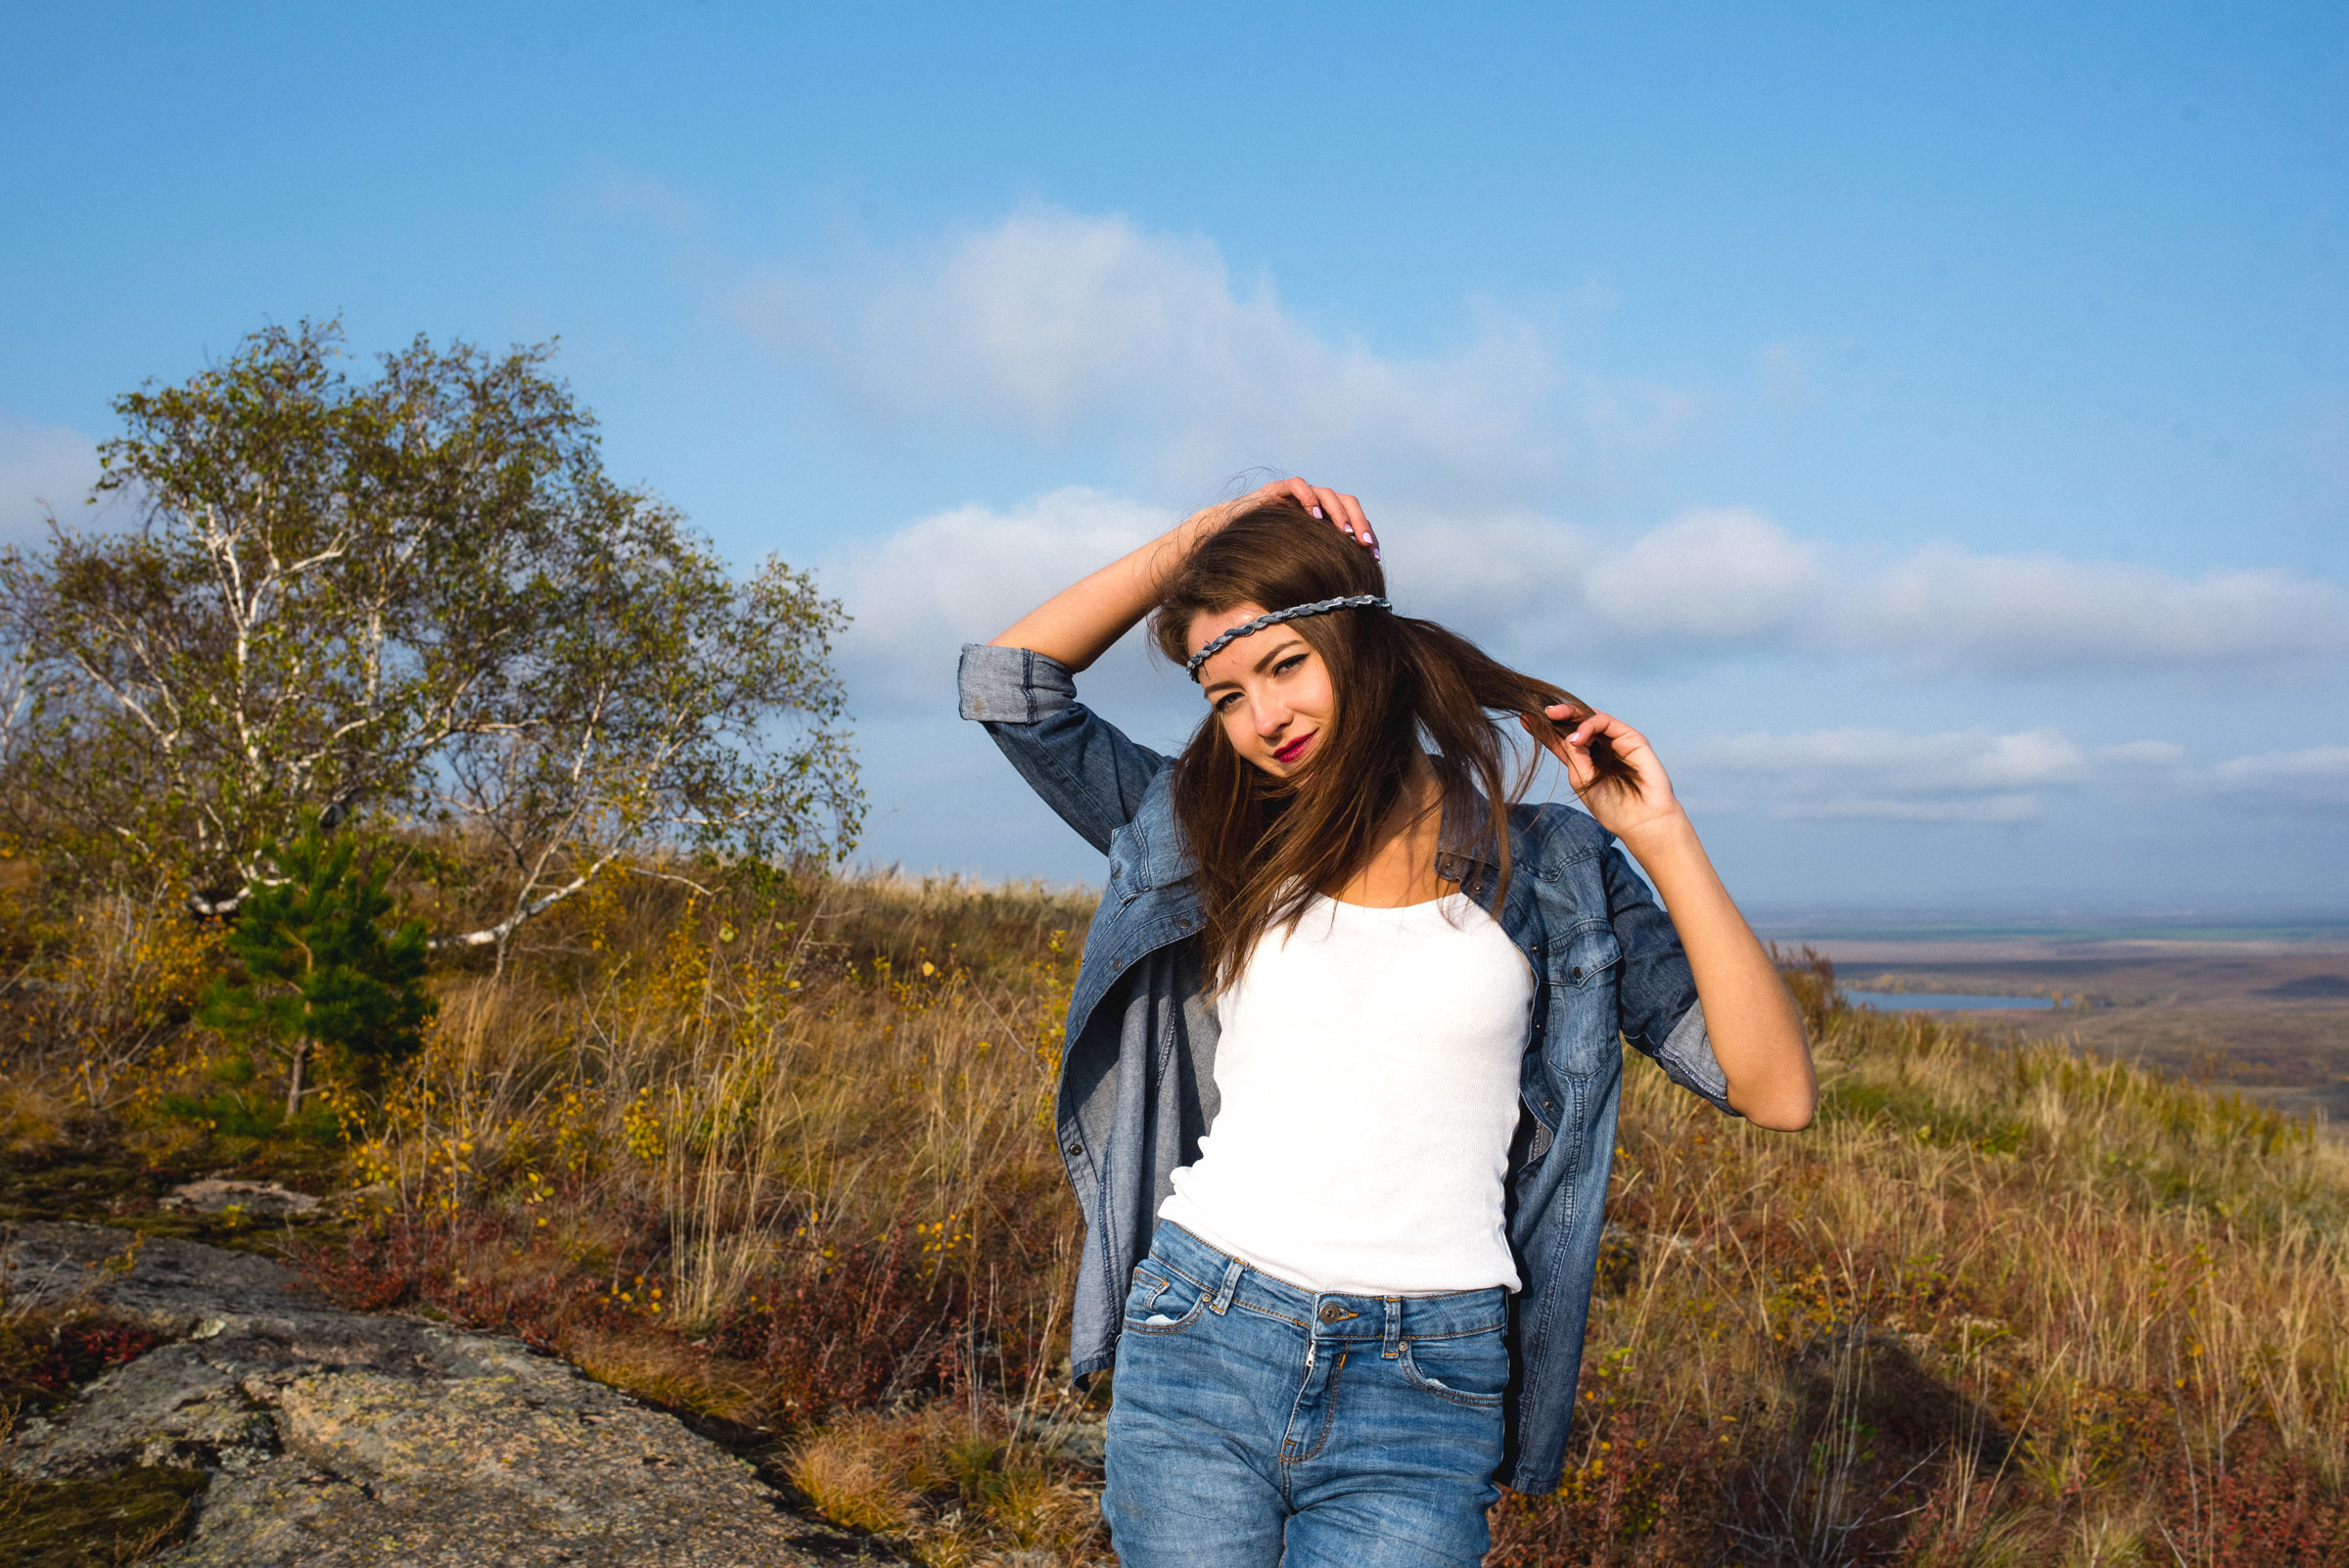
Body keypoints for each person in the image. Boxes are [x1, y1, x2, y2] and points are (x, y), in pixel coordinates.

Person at [958, 478, 1816, 1567]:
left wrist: (1661, 833)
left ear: (1361, 648)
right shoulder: (1210, 829)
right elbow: (1009, 687)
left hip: (1428, 1378)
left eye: (1283, 666)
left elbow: (1775, 1092)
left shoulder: (1547, 865)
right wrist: (1200, 544)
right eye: (1223, 696)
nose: (1261, 719)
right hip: (1205, 1329)